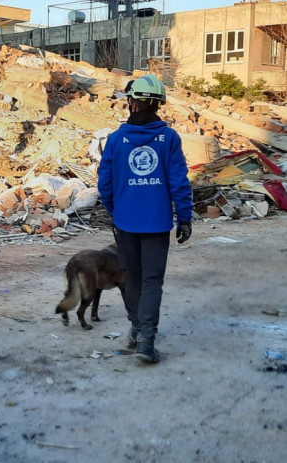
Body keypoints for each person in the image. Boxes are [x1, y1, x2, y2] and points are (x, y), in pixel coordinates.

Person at [97, 74, 192, 364]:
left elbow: (105, 182)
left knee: (133, 279)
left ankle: (138, 331)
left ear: (133, 104)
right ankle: (146, 341)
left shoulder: (116, 140)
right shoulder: (170, 139)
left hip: (126, 224)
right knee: (152, 282)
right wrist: (185, 217)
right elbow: (179, 181)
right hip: (157, 224)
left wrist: (116, 210)